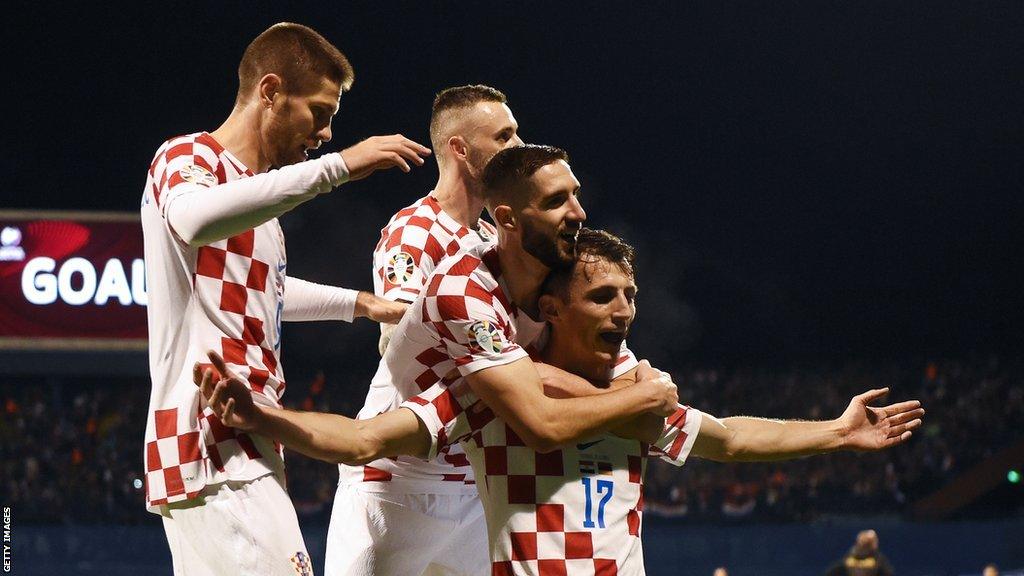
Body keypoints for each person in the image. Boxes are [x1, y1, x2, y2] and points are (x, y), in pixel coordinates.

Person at [197, 227, 924, 575]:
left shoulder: (640, 394)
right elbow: (363, 442)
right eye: (603, 295)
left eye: (631, 296)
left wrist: (836, 431)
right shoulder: (492, 397)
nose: (624, 310)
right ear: (550, 306)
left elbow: (730, 439)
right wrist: (264, 419)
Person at [141, 22, 430, 575]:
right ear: (270, 91)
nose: (323, 133)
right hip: (210, 438)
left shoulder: (260, 209)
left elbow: (267, 291)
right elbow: (192, 218)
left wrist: (361, 305)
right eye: (320, 112)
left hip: (242, 440)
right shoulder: (187, 157)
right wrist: (337, 168)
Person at [326, 84, 523, 574]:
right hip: (397, 480)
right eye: (503, 136)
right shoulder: (414, 231)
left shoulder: (493, 242)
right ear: (459, 148)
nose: (517, 146)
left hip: (470, 482)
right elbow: (397, 343)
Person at [824, 530, 895, 576]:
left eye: (867, 544)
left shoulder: (878, 560)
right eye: (862, 543)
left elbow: (888, 573)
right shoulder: (850, 556)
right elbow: (833, 571)